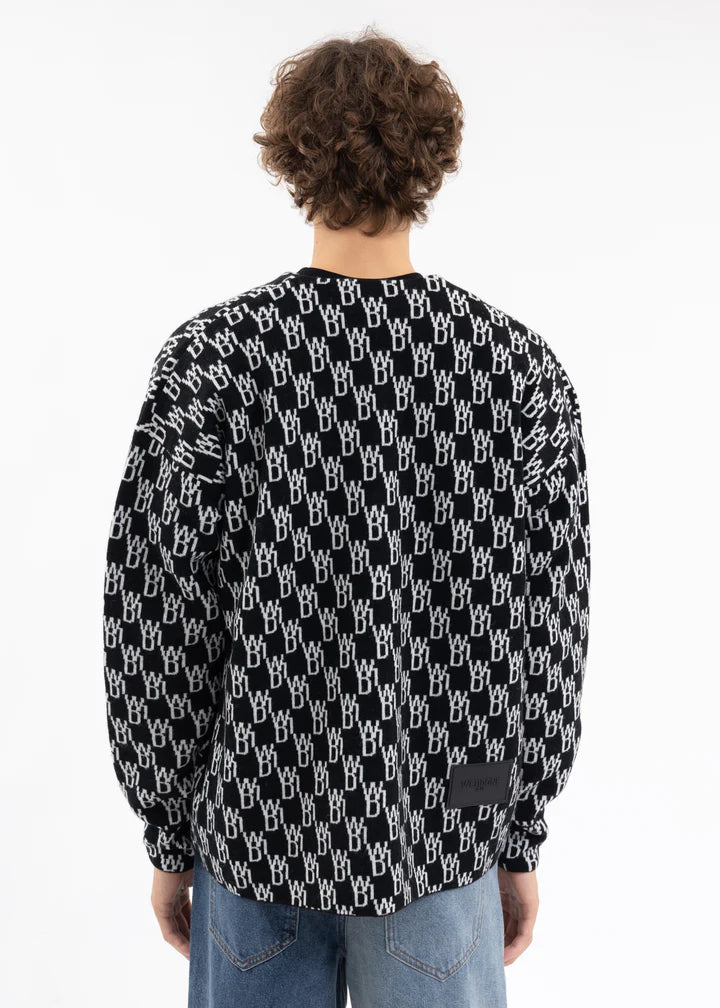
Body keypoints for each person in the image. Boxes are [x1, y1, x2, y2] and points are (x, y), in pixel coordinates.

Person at [102, 26, 591, 1008]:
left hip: (257, 830)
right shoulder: (516, 372)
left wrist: (169, 834)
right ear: (432, 163)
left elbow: (154, 624)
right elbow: (545, 636)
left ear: (292, 160)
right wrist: (514, 832)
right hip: (445, 832)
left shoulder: (213, 364)